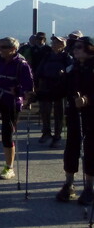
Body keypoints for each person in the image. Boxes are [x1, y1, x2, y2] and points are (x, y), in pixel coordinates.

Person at [49, 36, 94, 204]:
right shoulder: (72, 69)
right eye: (74, 47)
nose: (75, 49)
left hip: (91, 116)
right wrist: (37, 96)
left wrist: (88, 100)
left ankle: (89, 188)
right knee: (71, 149)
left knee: (90, 151)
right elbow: (58, 90)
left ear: (90, 49)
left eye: (80, 47)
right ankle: (69, 184)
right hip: (75, 115)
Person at [0, 37, 33, 180]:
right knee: (5, 133)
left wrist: (18, 91)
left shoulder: (22, 65)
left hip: (13, 103)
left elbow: (29, 87)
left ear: (13, 49)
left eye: (3, 47)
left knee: (7, 134)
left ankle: (9, 167)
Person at [34, 36, 72, 148]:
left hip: (60, 87)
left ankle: (57, 136)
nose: (54, 44)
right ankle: (46, 132)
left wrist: (64, 73)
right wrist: (36, 83)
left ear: (63, 45)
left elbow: (71, 71)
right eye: (54, 42)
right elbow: (39, 70)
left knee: (59, 112)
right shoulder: (47, 56)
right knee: (45, 110)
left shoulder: (66, 57)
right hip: (46, 85)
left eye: (57, 42)